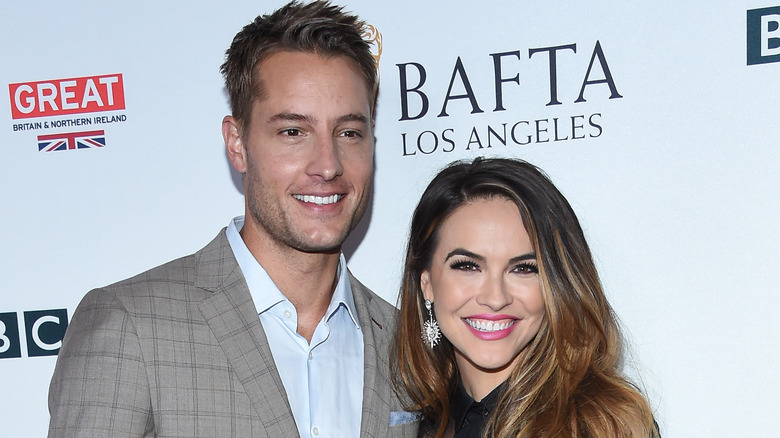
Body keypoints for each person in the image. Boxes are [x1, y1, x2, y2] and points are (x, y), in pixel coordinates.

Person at [47, 1, 418, 437]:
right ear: (238, 143)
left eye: (349, 133)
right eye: (293, 132)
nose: (327, 164)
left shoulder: (405, 343)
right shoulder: (131, 325)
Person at [392, 157, 659, 438]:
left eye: (523, 268)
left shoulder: (603, 427)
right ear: (427, 284)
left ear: (555, 285)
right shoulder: (410, 427)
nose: (495, 298)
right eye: (468, 266)